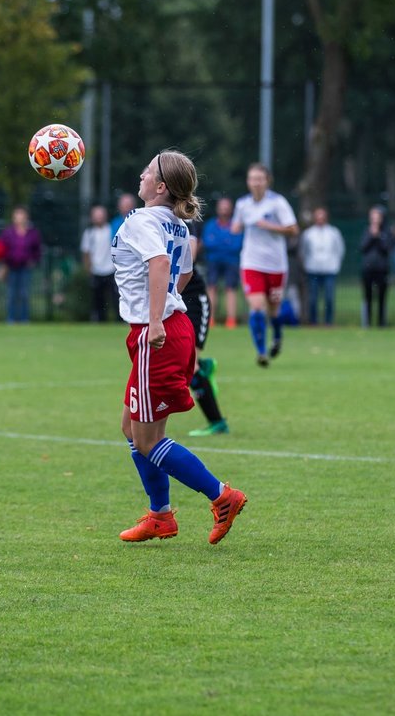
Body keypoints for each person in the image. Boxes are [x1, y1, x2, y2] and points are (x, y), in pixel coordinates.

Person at [112, 149, 246, 543]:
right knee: (130, 428)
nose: (140, 174)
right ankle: (160, 516)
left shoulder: (143, 220)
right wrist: (165, 306)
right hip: (173, 327)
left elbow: (159, 265)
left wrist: (155, 318)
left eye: (147, 171)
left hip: (160, 333)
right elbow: (182, 272)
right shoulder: (177, 226)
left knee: (147, 439)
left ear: (161, 187)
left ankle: (223, 496)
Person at [231, 163, 298, 366]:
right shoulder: (243, 204)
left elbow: (293, 229)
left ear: (267, 181)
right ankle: (261, 352)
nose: (256, 183)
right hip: (251, 263)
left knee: (274, 311)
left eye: (260, 178)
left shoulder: (278, 203)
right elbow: (236, 226)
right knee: (257, 307)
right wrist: (236, 226)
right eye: (252, 179)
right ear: (248, 182)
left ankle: (277, 337)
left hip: (276, 265)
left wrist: (268, 226)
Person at [183, 215, 230, 437]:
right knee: (181, 363)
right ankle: (204, 366)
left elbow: (188, 261)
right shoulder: (148, 219)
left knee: (189, 367)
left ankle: (218, 422)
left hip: (193, 302)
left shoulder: (183, 220)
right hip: (171, 302)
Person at [201, 197, 243, 328]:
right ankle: (210, 319)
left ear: (231, 209)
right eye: (222, 206)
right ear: (218, 208)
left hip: (232, 261)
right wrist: (226, 242)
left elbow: (237, 245)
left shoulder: (237, 225)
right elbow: (208, 243)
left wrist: (219, 243)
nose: (224, 209)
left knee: (231, 289)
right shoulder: (210, 225)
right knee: (211, 288)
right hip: (213, 260)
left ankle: (231, 320)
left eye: (227, 206)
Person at [300, 207, 345, 326]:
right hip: (313, 269)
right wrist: (306, 265)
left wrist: (336, 264)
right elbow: (304, 251)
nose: (320, 219)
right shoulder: (308, 233)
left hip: (330, 269)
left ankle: (328, 322)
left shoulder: (333, 232)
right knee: (313, 299)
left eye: (322, 217)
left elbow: (339, 250)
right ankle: (313, 322)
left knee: (329, 298)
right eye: (318, 217)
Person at [0, 206, 42, 323]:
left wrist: (33, 261)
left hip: (25, 268)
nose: (19, 218)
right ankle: (11, 319)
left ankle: (24, 319)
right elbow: (2, 249)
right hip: (11, 267)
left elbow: (37, 250)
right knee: (11, 294)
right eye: (16, 215)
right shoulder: (8, 232)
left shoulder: (32, 233)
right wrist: (3, 265)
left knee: (24, 294)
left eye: (21, 215)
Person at [359, 206, 395, 327]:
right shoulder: (366, 231)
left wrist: (378, 236)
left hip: (382, 269)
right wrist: (371, 235)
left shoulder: (387, 232)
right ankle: (367, 323)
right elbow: (363, 248)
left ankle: (381, 323)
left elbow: (387, 248)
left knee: (381, 298)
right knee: (367, 297)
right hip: (368, 269)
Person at [79, 204, 116, 322]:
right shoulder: (89, 233)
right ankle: (100, 321)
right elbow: (86, 253)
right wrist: (88, 269)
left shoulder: (111, 230)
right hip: (96, 270)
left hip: (111, 269)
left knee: (116, 298)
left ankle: (119, 320)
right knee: (98, 300)